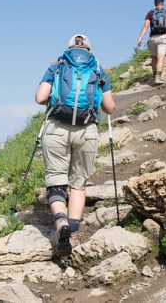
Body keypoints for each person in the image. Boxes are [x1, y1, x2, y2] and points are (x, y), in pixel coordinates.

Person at [35, 34, 116, 256]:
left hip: (56, 128)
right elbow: (109, 107)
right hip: (86, 130)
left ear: (69, 48)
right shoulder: (97, 68)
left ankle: (60, 221)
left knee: (56, 180)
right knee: (78, 184)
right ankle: (72, 230)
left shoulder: (57, 66)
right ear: (89, 49)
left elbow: (40, 98)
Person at [137, 0, 166, 84]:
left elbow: (146, 26)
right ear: (164, 3)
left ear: (155, 4)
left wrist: (140, 38)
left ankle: (154, 75)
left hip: (153, 39)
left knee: (154, 57)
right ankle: (158, 77)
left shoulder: (150, 13)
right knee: (161, 57)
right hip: (164, 38)